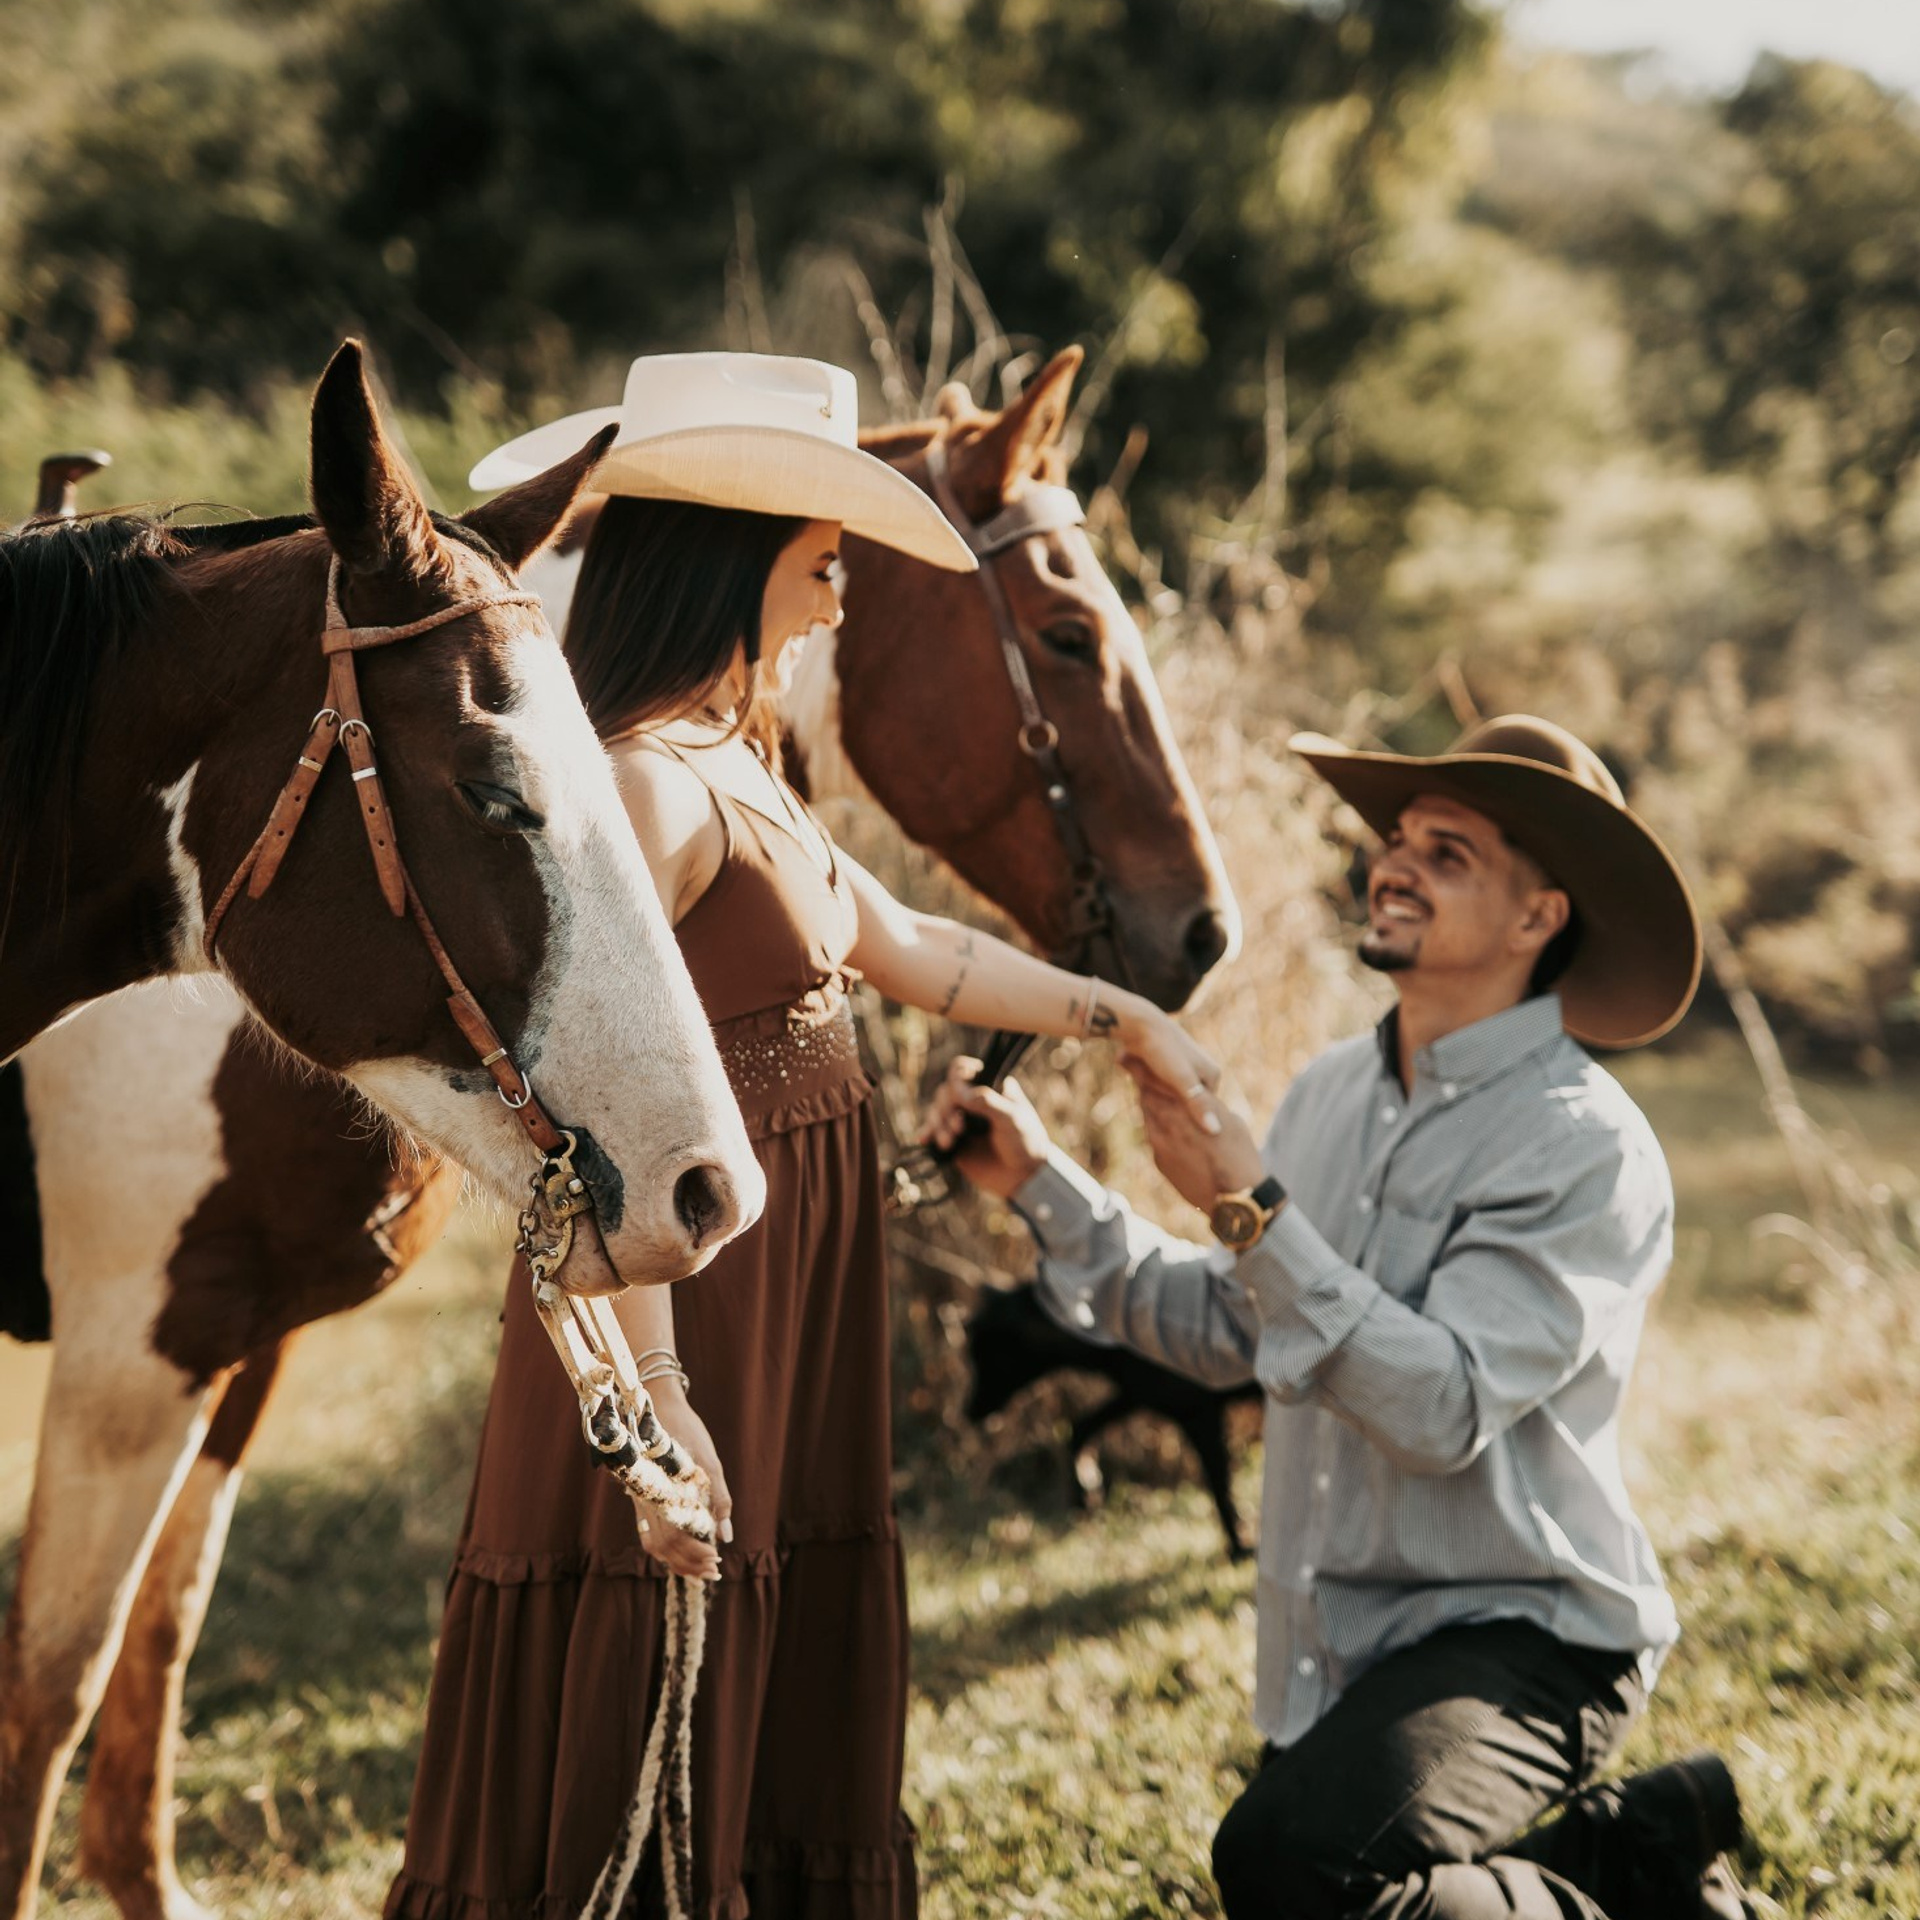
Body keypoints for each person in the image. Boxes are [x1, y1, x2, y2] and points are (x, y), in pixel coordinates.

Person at [384, 351, 1220, 1920]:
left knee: (777, 1598)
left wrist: (1127, 1016)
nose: (839, 602)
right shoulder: (636, 780)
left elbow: (904, 940)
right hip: (689, 1282)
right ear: (730, 563)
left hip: (790, 1269)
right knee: (665, 1617)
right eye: (824, 565)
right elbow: (596, 1116)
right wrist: (659, 1399)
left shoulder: (733, 755)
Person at [925, 716, 1759, 1920]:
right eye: (1401, 838)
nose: (1395, 863)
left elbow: (1441, 1408)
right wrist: (1040, 1181)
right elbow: (1224, 1329)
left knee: (1291, 1861)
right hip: (1353, 1653)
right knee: (1305, 1867)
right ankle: (1622, 1855)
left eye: (1451, 852)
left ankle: (1619, 1894)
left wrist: (1252, 1206)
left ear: (1541, 918)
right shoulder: (1327, 1093)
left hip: (1530, 1635)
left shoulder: (1584, 1146)